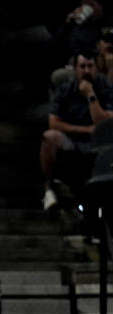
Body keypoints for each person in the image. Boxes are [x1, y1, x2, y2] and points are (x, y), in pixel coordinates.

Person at [42, 50, 113, 210]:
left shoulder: (106, 88)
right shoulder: (65, 89)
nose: (86, 71)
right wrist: (85, 129)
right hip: (73, 139)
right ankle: (49, 190)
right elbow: (54, 123)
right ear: (75, 69)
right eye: (82, 66)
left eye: (90, 66)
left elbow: (104, 123)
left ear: (97, 68)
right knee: (49, 137)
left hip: (99, 144)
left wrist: (90, 94)